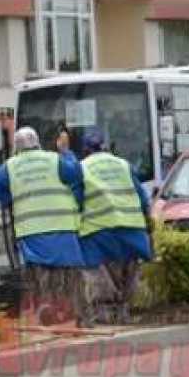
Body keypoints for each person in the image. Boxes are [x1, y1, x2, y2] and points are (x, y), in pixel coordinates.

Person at [0, 127, 89, 327]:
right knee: (70, 276)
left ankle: (48, 319)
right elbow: (76, 174)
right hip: (62, 228)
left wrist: (11, 198)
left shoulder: (11, 166)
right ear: (38, 142)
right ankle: (76, 319)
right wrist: (66, 151)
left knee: (41, 280)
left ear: (17, 147)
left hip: (31, 232)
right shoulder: (53, 159)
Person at [75, 130, 153, 326]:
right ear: (105, 146)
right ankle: (124, 311)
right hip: (132, 230)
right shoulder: (123, 164)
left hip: (98, 231)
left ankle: (105, 313)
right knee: (128, 272)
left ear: (85, 150)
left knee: (95, 271)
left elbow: (75, 201)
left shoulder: (81, 168)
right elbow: (143, 199)